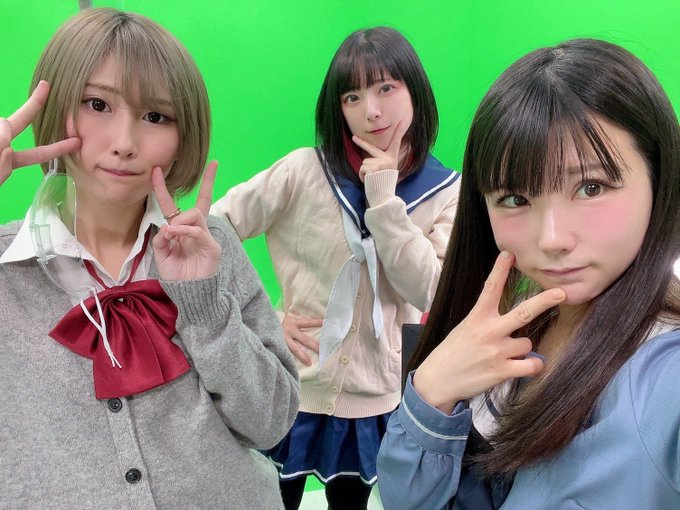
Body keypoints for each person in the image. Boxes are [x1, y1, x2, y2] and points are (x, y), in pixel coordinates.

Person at [0, 8, 299, 508]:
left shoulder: (210, 245)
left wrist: (204, 308)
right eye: (97, 104)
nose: (124, 144)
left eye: (155, 116)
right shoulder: (5, 268)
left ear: (183, 137)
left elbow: (271, 424)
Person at [376, 38, 680, 509]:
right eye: (515, 199)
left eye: (591, 187)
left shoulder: (665, 375)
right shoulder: (507, 328)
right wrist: (431, 395)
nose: (552, 238)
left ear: (660, 179)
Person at [211, 26, 460, 510]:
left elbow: (433, 290)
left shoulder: (446, 191)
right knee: (266, 499)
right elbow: (212, 235)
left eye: (386, 88)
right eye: (353, 96)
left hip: (375, 392)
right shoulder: (303, 170)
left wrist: (384, 202)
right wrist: (262, 319)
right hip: (291, 380)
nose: (372, 110)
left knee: (351, 502)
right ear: (338, 108)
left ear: (415, 91)